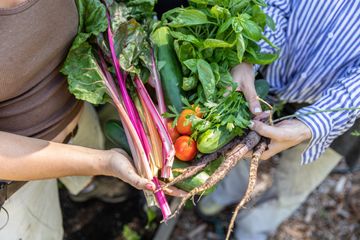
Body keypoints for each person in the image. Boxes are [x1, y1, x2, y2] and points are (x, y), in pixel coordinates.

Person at [198, 0, 360, 239]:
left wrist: (312, 125)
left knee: (297, 180)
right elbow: (274, 5)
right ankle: (225, 192)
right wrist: (250, 56)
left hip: (343, 111)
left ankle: (253, 228)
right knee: (241, 146)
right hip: (266, 77)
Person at [0, 0, 157, 239]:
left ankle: (85, 186)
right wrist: (103, 163)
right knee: (44, 229)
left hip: (78, 114)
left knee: (86, 154)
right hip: (18, 183)